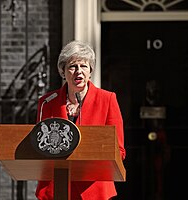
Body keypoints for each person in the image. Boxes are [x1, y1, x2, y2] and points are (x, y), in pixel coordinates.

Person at [35, 40, 126, 200]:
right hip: (56, 189)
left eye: (83, 66)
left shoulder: (107, 99)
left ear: (90, 71)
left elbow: (119, 150)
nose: (78, 71)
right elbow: (38, 146)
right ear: (63, 72)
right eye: (72, 66)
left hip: (94, 190)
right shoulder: (48, 102)